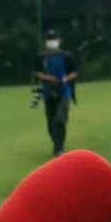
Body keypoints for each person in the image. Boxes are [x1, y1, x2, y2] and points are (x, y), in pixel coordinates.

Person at [35, 29, 78, 157]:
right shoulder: (41, 57)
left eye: (54, 40)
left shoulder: (67, 56)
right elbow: (37, 72)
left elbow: (75, 72)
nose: (52, 42)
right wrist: (49, 78)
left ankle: (59, 148)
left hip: (64, 91)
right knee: (51, 121)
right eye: (49, 40)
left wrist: (66, 78)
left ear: (59, 41)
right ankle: (57, 144)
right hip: (48, 92)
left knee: (60, 119)